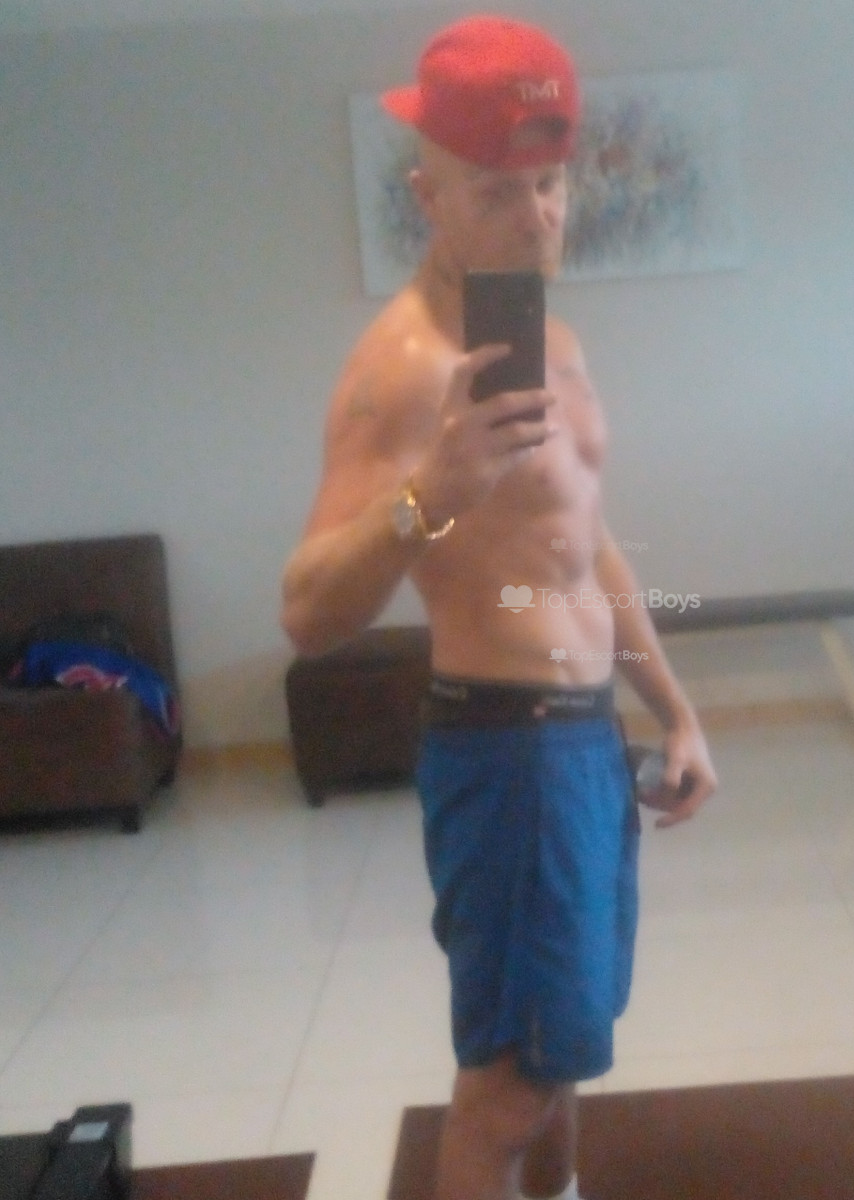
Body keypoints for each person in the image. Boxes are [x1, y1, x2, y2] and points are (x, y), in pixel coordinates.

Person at [280, 15, 717, 1200]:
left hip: (581, 744)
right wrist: (431, 495)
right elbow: (306, 612)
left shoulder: (550, 337)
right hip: (508, 755)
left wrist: (674, 709)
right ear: (428, 195)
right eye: (495, 192)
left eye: (551, 184)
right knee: (508, 1088)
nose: (536, 218)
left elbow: (582, 548)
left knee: (564, 1045)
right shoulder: (401, 369)